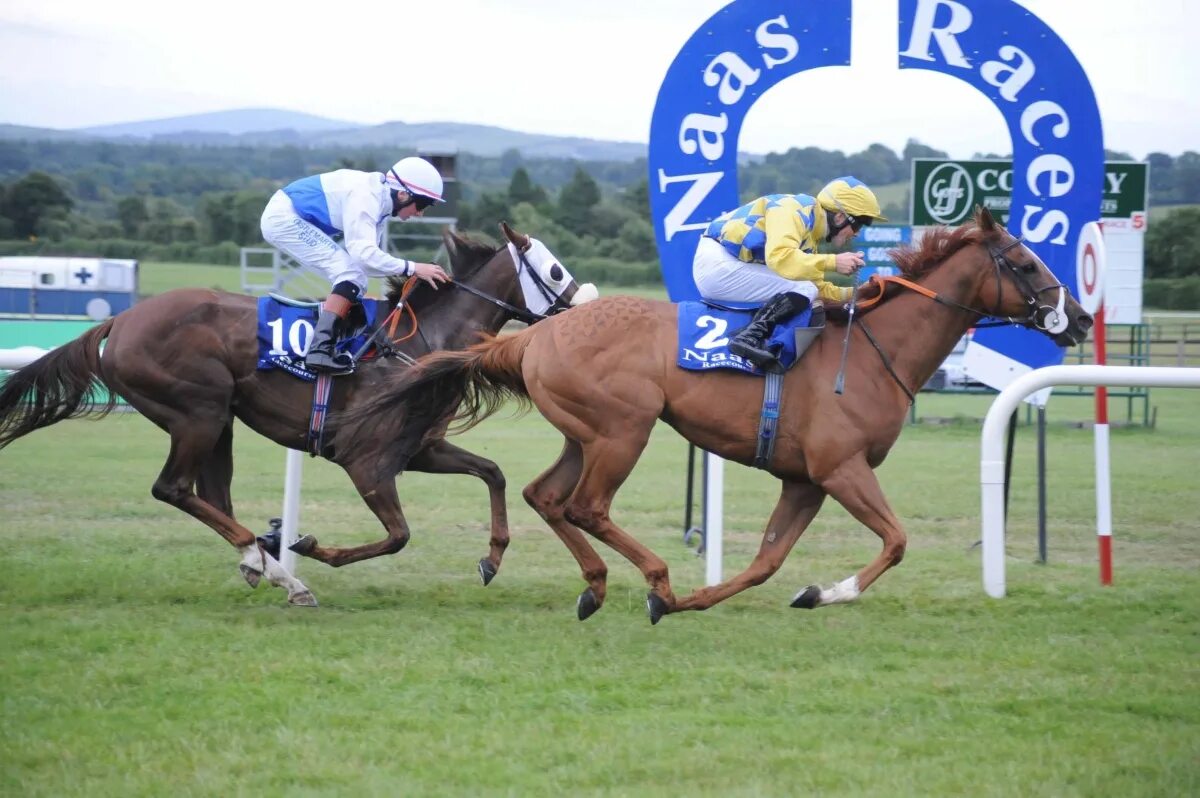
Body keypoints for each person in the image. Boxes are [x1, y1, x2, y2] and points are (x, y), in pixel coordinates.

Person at [260, 156, 452, 374]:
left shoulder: (380, 202)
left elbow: (370, 263)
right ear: (403, 194)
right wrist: (413, 268)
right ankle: (319, 351)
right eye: (422, 204)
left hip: (292, 217)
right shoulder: (366, 197)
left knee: (356, 277)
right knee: (350, 274)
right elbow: (364, 256)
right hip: (284, 218)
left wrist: (409, 269)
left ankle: (340, 339)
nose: (420, 213)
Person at [692, 176, 887, 370]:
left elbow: (817, 289)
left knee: (807, 289)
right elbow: (781, 258)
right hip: (717, 263)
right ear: (840, 217)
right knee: (803, 287)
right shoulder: (793, 210)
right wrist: (834, 262)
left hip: (729, 263)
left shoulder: (810, 238)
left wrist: (856, 293)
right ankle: (747, 337)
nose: (857, 233)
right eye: (859, 224)